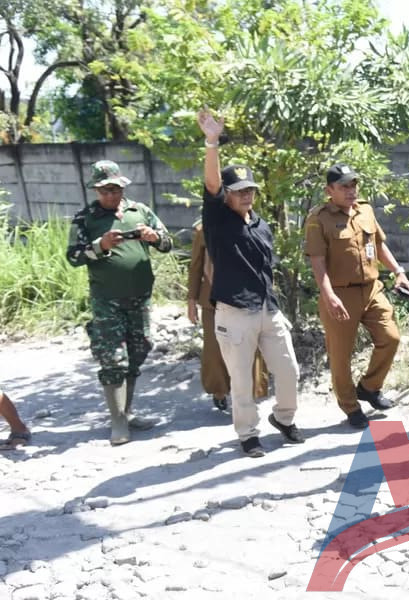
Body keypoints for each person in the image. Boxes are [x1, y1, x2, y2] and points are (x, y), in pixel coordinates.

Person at [198, 109, 304, 458]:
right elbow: (211, 184)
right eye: (239, 190)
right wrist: (212, 142)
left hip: (267, 308)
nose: (247, 195)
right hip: (234, 312)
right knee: (241, 380)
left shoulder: (261, 224)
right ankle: (247, 434)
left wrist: (272, 301)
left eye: (251, 190)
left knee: (288, 369)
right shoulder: (217, 220)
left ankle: (283, 418)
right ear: (227, 194)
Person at [67, 160, 171, 445]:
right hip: (107, 300)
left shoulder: (140, 211)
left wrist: (154, 237)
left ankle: (128, 411)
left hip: (140, 297)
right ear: (96, 190)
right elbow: (74, 257)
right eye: (105, 190)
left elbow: (168, 244)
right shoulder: (85, 219)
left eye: (115, 189)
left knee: (138, 351)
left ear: (123, 187)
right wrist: (100, 246)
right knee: (113, 359)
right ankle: (118, 422)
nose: (111, 195)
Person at [304, 164, 409, 430]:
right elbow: (317, 261)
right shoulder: (319, 219)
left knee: (390, 337)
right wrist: (328, 295)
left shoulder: (365, 210)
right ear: (329, 190)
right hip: (339, 292)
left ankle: (369, 387)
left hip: (371, 288)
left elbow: (378, 245)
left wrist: (398, 271)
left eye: (354, 185)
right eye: (344, 186)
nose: (351, 191)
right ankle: (350, 407)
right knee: (341, 355)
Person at [187, 221, 269, 411]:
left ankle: (249, 393)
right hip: (212, 300)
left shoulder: (251, 224)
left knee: (251, 346)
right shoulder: (204, 229)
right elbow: (196, 266)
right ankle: (220, 391)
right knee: (215, 350)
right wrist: (191, 300)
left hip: (247, 297)